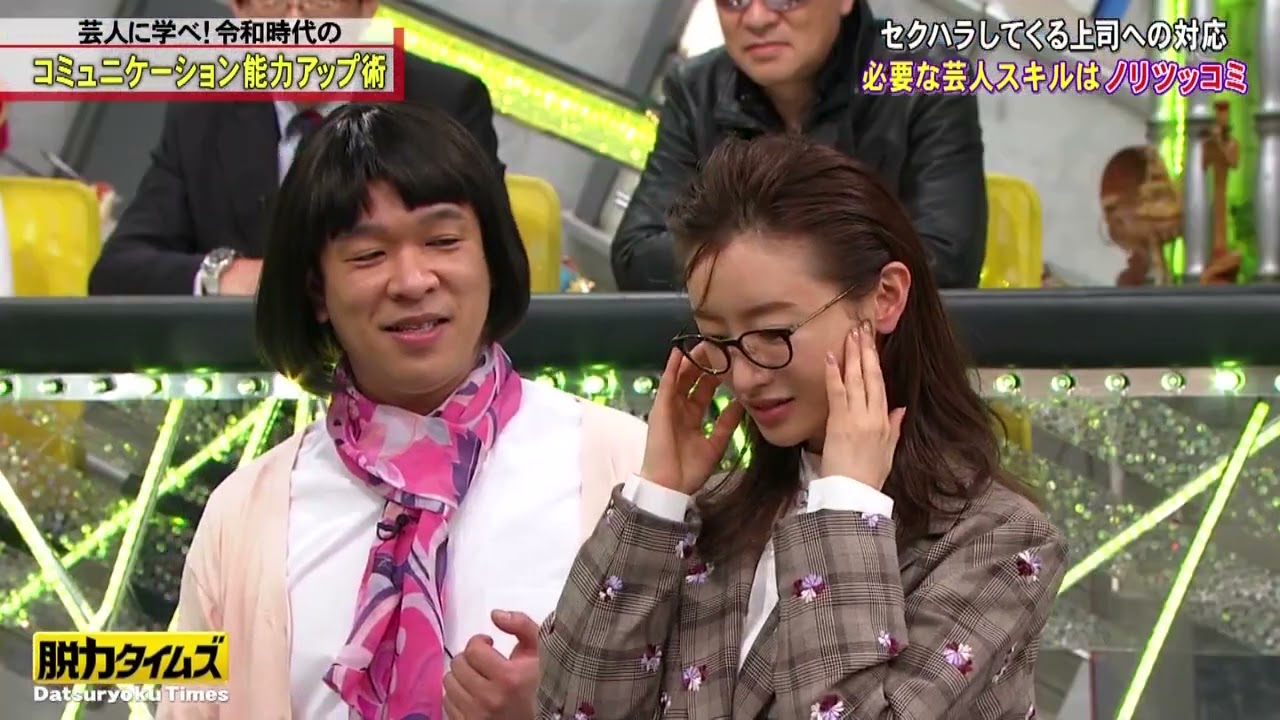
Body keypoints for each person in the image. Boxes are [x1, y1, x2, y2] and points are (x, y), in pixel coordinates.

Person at [538, 135, 1065, 719]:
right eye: (718, 339)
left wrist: (846, 510)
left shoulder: (995, 541)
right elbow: (570, 711)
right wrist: (658, 496)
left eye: (773, 334)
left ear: (885, 297)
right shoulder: (710, 515)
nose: (743, 376)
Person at [158, 104, 646, 720]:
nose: (412, 280)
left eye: (443, 241)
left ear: (492, 259)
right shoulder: (244, 515)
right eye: (368, 255)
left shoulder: (625, 469)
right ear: (316, 291)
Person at [88, 0, 503, 297]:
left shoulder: (441, 102)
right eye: (272, 5)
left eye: (319, 5)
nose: (294, 27)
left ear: (366, 9)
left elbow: (493, 258)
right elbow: (118, 271)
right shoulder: (205, 111)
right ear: (239, 12)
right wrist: (228, 275)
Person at [611, 0, 986, 292]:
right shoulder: (696, 89)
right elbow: (636, 254)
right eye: (734, 0)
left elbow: (944, 262)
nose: (757, 18)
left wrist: (739, 259)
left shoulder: (928, 81)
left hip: (879, 353)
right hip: (731, 350)